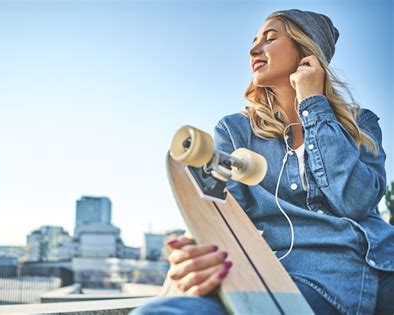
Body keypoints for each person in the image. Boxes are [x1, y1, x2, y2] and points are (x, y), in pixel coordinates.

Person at [131, 9, 394, 315]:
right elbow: (220, 213)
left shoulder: (360, 124)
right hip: (274, 277)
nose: (254, 49)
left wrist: (313, 104)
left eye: (270, 38)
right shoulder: (234, 131)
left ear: (307, 51)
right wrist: (196, 251)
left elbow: (354, 200)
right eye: (254, 41)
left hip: (357, 272)